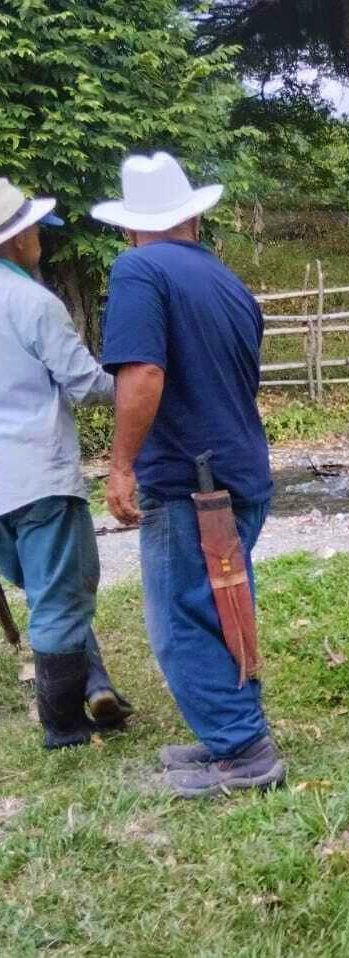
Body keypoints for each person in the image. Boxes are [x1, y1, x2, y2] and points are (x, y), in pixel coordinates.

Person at [92, 153, 285, 797]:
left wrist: (120, 466)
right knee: (224, 604)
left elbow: (142, 372)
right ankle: (231, 732)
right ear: (194, 217)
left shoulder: (139, 269)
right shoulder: (227, 281)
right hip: (240, 469)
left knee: (182, 615)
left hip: (190, 481)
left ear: (130, 227)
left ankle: (244, 750)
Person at [0, 178, 134, 749]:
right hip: (38, 476)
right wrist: (138, 382)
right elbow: (83, 383)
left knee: (48, 590)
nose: (39, 240)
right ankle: (63, 727)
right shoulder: (31, 301)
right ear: (16, 238)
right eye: (33, 229)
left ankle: (96, 684)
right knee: (62, 596)